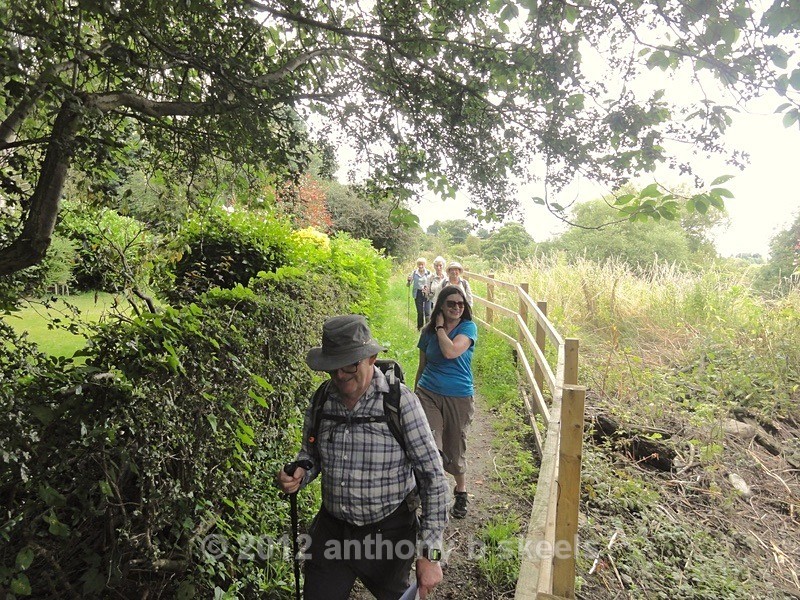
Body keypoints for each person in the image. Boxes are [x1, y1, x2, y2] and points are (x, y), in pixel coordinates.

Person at [277, 315, 448, 600]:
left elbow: (433, 477)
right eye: (333, 366)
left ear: (371, 358)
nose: (340, 375)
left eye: (349, 365)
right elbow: (311, 453)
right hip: (332, 531)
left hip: (389, 534)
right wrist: (300, 473)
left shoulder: (400, 402)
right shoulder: (322, 399)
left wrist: (430, 554)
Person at [413, 287, 477, 519]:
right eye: (451, 303)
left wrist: (440, 328)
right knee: (431, 445)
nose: (456, 307)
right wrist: (414, 394)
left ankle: (461, 490)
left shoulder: (468, 328)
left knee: (455, 446)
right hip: (428, 393)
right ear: (441, 305)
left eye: (460, 304)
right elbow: (422, 365)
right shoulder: (427, 332)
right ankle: (432, 496)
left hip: (458, 395)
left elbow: (450, 352)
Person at [406, 258, 432, 329]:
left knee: (427, 312)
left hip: (426, 293)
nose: (420, 266)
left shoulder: (429, 273)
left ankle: (428, 328)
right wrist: (408, 281)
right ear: (417, 265)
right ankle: (420, 328)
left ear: (425, 264)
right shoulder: (414, 273)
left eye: (422, 264)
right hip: (417, 293)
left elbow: (432, 283)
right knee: (420, 312)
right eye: (419, 264)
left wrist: (429, 290)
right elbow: (408, 285)